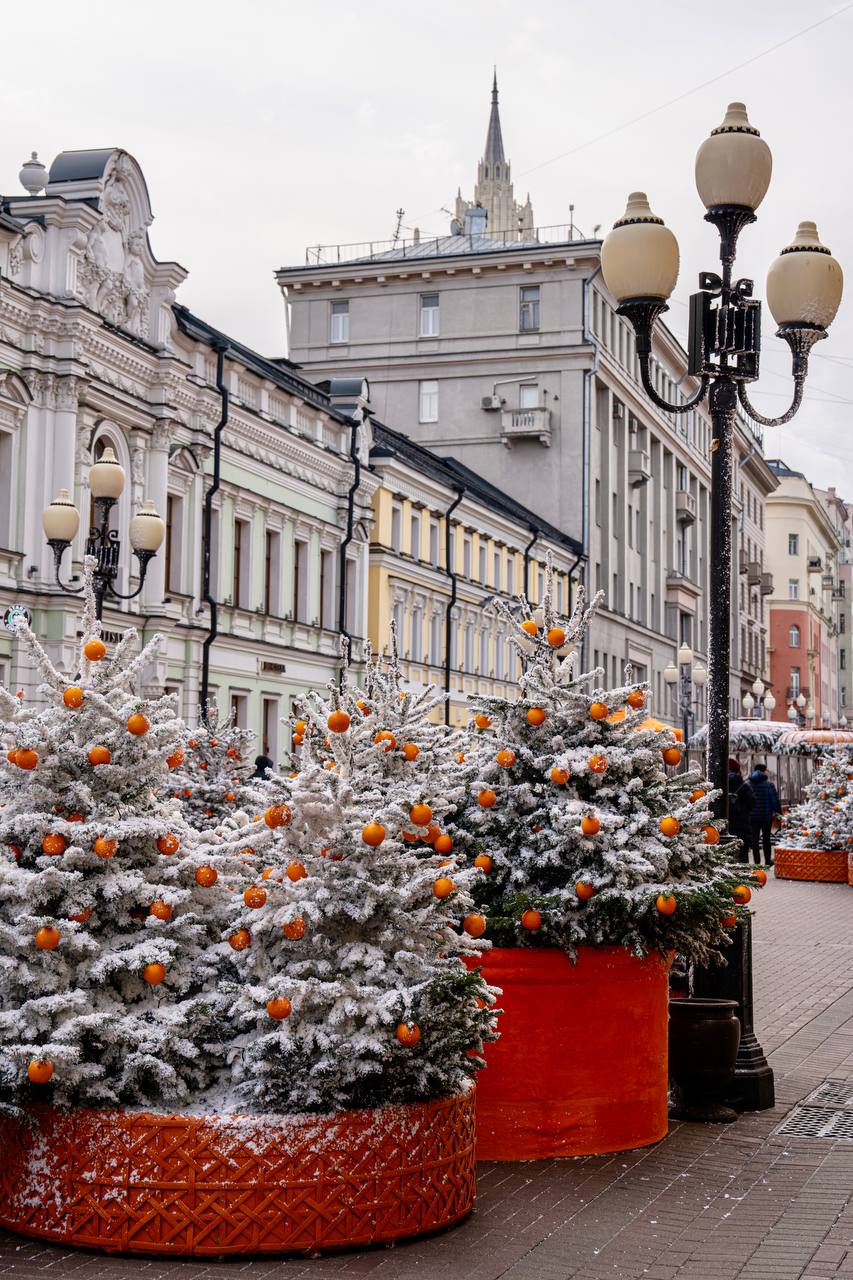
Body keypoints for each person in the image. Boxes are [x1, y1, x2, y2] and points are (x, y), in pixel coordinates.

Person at [748, 762, 782, 866]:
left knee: (755, 839)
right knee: (766, 839)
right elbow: (774, 800)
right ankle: (767, 861)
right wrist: (778, 813)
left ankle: (757, 862)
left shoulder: (749, 784)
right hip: (766, 817)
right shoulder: (769, 785)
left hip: (752, 817)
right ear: (764, 771)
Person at [728, 757, 754, 862]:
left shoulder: (719, 785)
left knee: (726, 857)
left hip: (726, 828)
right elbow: (752, 803)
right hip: (743, 827)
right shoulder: (744, 786)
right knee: (743, 856)